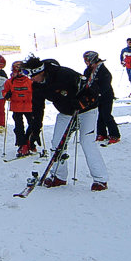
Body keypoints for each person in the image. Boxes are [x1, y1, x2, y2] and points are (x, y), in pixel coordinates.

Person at [21, 55, 108, 191]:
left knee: (86, 141)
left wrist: (84, 100)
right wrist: (35, 130)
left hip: (87, 110)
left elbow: (91, 87)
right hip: (66, 112)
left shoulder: (63, 74)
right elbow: (37, 109)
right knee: (57, 143)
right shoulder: (37, 86)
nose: (31, 79)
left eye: (32, 76)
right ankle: (59, 176)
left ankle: (100, 179)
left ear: (40, 72)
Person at [3, 61, 41, 157]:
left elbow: (36, 92)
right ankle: (22, 144)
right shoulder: (9, 82)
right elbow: (5, 92)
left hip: (29, 107)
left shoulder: (29, 82)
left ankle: (29, 142)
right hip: (16, 107)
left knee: (33, 125)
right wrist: (7, 95)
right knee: (19, 127)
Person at [85, 51, 121, 145]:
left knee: (106, 115)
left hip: (106, 96)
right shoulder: (88, 70)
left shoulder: (102, 70)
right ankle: (102, 133)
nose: (86, 63)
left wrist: (99, 92)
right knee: (99, 115)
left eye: (87, 60)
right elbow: (86, 81)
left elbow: (106, 84)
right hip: (96, 96)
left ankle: (115, 135)